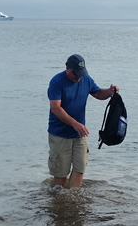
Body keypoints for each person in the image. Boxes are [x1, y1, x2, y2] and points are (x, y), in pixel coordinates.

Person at [47, 54, 118, 188]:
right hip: (60, 134)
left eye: (81, 72)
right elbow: (55, 108)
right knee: (61, 173)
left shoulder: (85, 78)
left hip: (80, 133)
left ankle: (74, 197)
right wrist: (74, 123)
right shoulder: (57, 82)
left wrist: (110, 91)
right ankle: (58, 198)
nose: (79, 77)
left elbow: (98, 93)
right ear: (67, 68)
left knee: (80, 168)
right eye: (76, 73)